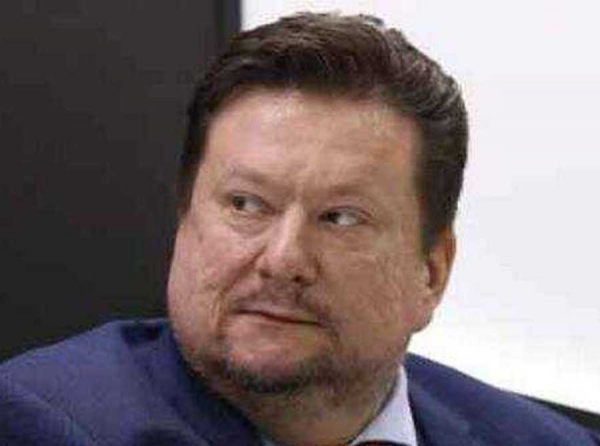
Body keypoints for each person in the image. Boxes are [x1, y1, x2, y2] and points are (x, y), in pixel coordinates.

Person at [0, 12, 598, 446]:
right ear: (184, 223)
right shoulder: (43, 423)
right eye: (246, 205)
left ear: (432, 273)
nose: (283, 259)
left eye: (341, 217)